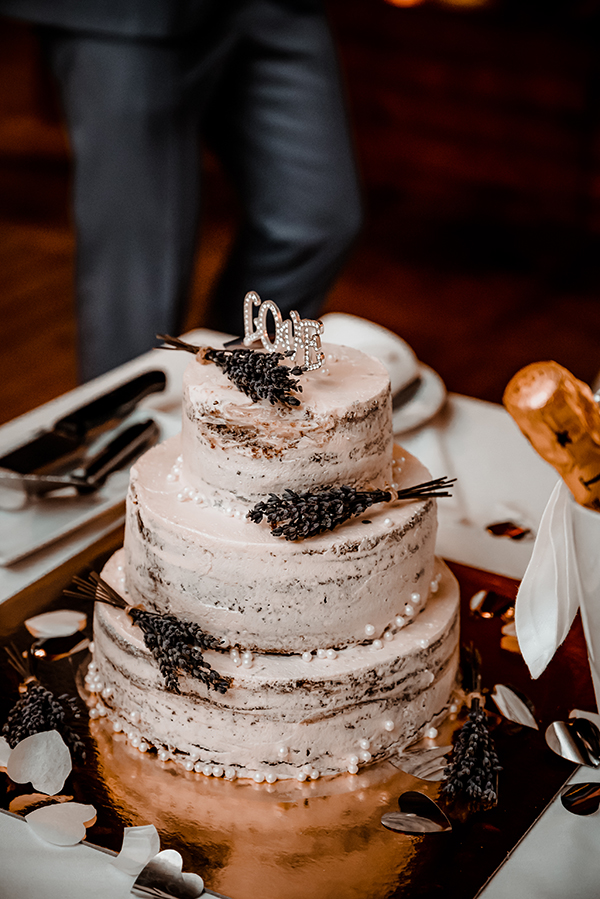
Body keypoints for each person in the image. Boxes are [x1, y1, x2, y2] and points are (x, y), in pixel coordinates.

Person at [0, 0, 363, 381]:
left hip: (276, 8)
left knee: (318, 219)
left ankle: (226, 389)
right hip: (123, 14)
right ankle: (133, 432)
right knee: (139, 301)